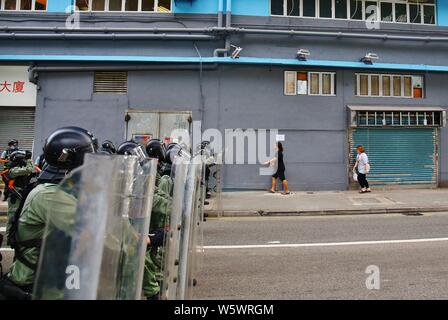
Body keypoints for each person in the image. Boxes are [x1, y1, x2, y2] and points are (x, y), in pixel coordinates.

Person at [0, 127, 98, 300]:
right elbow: (97, 232)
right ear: (71, 161)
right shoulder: (50, 195)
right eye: (87, 158)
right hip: (34, 287)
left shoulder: (54, 189)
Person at [2, 151, 34, 246]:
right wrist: (28, 160)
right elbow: (29, 169)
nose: (24, 161)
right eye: (22, 159)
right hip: (15, 197)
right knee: (12, 217)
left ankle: (16, 236)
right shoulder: (13, 170)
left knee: (19, 216)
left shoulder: (16, 168)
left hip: (20, 194)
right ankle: (9, 237)